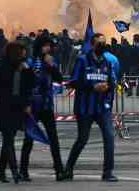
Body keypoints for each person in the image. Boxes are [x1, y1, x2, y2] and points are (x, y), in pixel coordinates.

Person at [61, 33, 118, 182]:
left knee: (109, 137)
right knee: (82, 139)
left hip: (102, 108)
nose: (102, 46)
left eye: (104, 43)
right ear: (92, 45)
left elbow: (113, 82)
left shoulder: (107, 62)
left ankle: (108, 172)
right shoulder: (82, 60)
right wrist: (92, 87)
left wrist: (108, 86)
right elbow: (73, 82)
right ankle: (68, 169)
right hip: (84, 107)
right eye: (99, 43)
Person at [0, 41, 34, 184]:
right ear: (15, 53)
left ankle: (1, 172)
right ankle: (15, 172)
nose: (24, 54)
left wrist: (27, 70)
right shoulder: (1, 68)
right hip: (3, 108)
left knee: (8, 142)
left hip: (16, 108)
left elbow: (30, 86)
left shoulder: (22, 67)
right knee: (8, 140)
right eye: (22, 52)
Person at [19, 35, 65, 182]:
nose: (48, 48)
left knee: (53, 138)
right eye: (45, 45)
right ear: (39, 46)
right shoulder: (29, 62)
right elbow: (23, 84)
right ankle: (23, 170)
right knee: (29, 138)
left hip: (46, 105)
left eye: (49, 46)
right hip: (31, 106)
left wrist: (51, 66)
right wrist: (25, 104)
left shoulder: (50, 61)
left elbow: (59, 79)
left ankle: (59, 170)